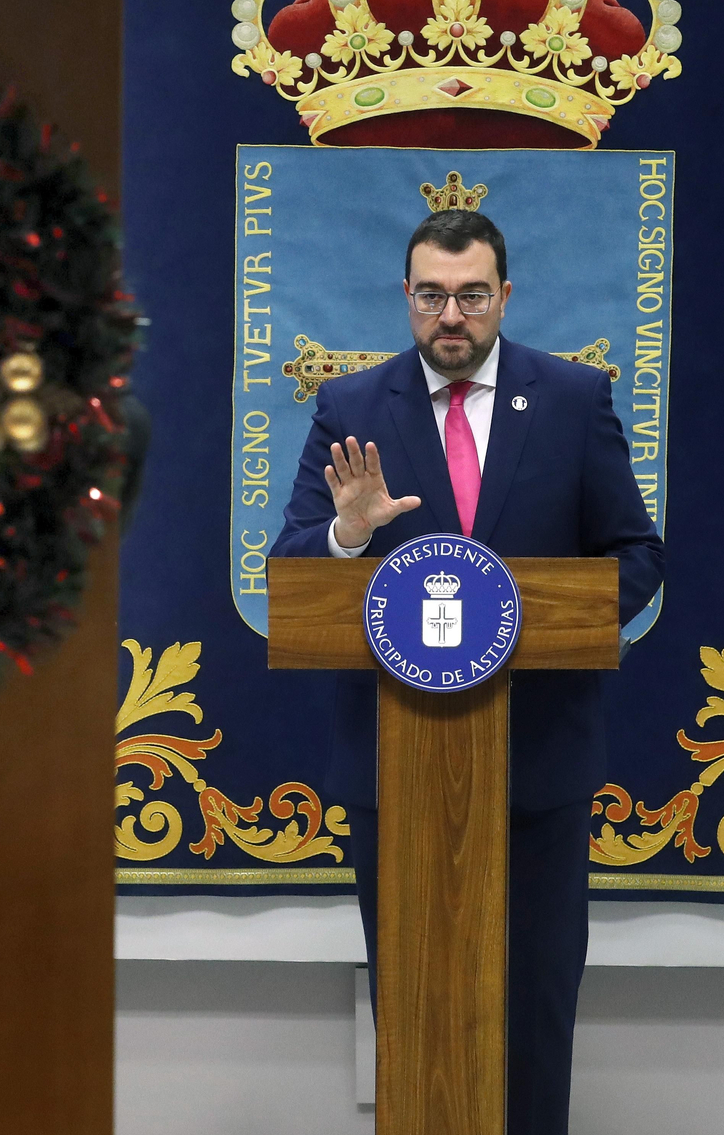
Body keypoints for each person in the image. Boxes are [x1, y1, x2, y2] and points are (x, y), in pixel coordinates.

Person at [269, 207, 664, 1135]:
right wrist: (347, 533)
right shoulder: (353, 409)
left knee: (532, 1002)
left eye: (473, 296)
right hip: (396, 767)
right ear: (407, 298)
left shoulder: (571, 399)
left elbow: (636, 555)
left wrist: (530, 627)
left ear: (505, 297)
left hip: (538, 761)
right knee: (414, 1002)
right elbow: (293, 568)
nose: (453, 316)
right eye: (434, 296)